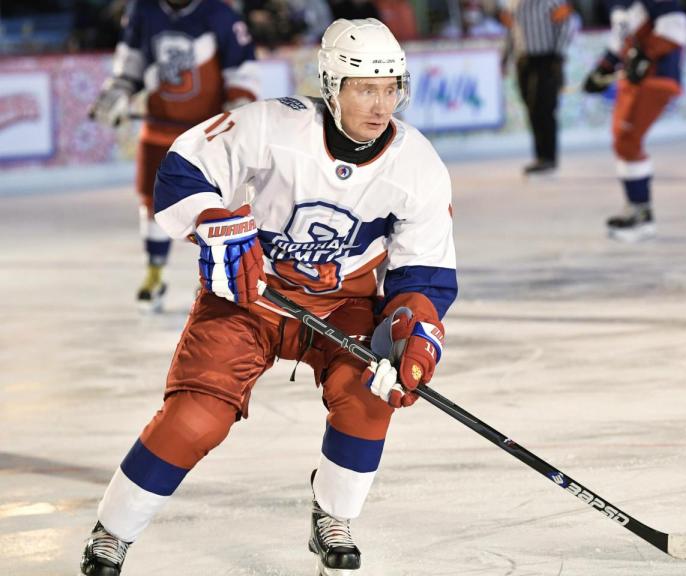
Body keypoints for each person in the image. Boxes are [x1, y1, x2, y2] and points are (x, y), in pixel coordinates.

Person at [79, 18, 457, 576]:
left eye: (391, 87)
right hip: (248, 296)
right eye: (365, 88)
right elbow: (181, 171)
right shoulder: (273, 126)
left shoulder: (418, 164)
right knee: (196, 414)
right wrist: (213, 222)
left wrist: (414, 339)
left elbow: (423, 278)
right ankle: (112, 532)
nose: (382, 105)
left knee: (370, 396)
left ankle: (333, 516)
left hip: (342, 304)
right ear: (331, 86)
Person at [89, 0, 259, 312]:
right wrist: (117, 93)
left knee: (217, 209)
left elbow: (243, 69)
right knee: (152, 204)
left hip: (208, 138)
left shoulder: (220, 14)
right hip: (159, 129)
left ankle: (215, 277)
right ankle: (154, 275)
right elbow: (130, 65)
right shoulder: (144, 11)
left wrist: (237, 105)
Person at [581, 0, 686, 241]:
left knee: (627, 140)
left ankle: (641, 213)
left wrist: (645, 56)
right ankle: (637, 209)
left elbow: (675, 27)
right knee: (622, 141)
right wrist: (603, 68)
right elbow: (621, 37)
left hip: (657, 78)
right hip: (635, 80)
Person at [504, 0, 576, 175]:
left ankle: (548, 157)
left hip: (546, 58)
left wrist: (558, 55)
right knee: (531, 107)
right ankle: (540, 156)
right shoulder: (513, 3)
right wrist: (506, 56)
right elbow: (513, 30)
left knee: (543, 107)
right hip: (524, 59)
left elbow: (566, 25)